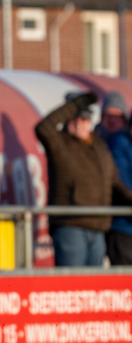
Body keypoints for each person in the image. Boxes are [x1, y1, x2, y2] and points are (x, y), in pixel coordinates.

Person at [36, 92, 132, 267]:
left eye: (84, 119)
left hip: (98, 227)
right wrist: (74, 106)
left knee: (93, 281)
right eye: (75, 119)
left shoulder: (99, 145)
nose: (79, 124)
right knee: (73, 280)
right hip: (71, 225)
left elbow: (115, 183)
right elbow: (43, 128)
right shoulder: (60, 143)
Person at [97, 92, 132, 265]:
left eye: (116, 115)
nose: (111, 120)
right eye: (107, 115)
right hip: (120, 224)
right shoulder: (118, 144)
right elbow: (121, 181)